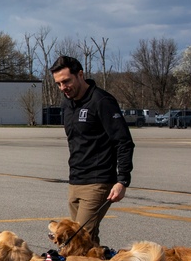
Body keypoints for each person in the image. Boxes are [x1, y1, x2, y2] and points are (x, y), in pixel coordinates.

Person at [49, 55, 134, 246]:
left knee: (77, 240)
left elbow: (124, 141)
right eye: (58, 84)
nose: (63, 88)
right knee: (87, 241)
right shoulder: (67, 104)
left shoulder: (101, 101)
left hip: (98, 181)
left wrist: (122, 180)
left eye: (66, 81)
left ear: (80, 75)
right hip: (76, 180)